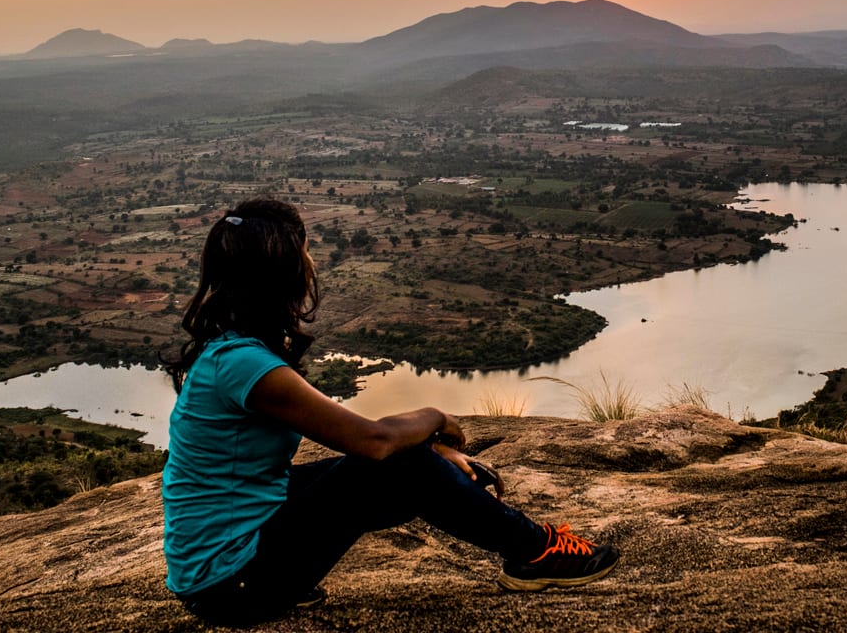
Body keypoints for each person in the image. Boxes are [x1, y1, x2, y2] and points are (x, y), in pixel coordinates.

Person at [162, 197, 619, 625]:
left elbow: (358, 454)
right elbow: (374, 441)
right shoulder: (244, 364)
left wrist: (433, 455)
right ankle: (537, 553)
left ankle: (501, 527)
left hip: (229, 567)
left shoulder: (225, 350)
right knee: (397, 462)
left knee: (400, 463)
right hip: (231, 587)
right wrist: (436, 421)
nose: (311, 264)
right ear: (279, 275)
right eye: (305, 255)